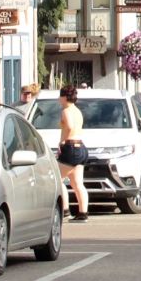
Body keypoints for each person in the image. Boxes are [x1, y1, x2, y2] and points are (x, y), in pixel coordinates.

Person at [56, 84, 89, 221]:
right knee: (77, 183)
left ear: (64, 97)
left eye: (60, 96)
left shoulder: (66, 110)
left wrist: (62, 141)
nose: (58, 99)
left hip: (70, 147)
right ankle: (83, 213)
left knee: (58, 180)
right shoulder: (77, 111)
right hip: (80, 147)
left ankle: (65, 209)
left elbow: (69, 126)